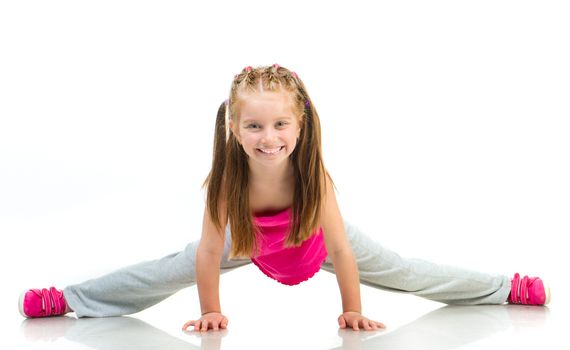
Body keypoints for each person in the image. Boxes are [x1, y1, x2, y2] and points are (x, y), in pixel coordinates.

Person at [19, 64, 551, 332]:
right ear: (233, 127)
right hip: (246, 240)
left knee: (404, 270)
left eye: (279, 124)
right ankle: (69, 300)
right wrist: (211, 312)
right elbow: (206, 254)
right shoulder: (226, 181)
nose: (267, 137)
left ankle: (506, 289)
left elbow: (343, 252)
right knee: (166, 269)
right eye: (253, 125)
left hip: (313, 241)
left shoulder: (310, 176)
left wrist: (352, 311)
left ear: (300, 125)